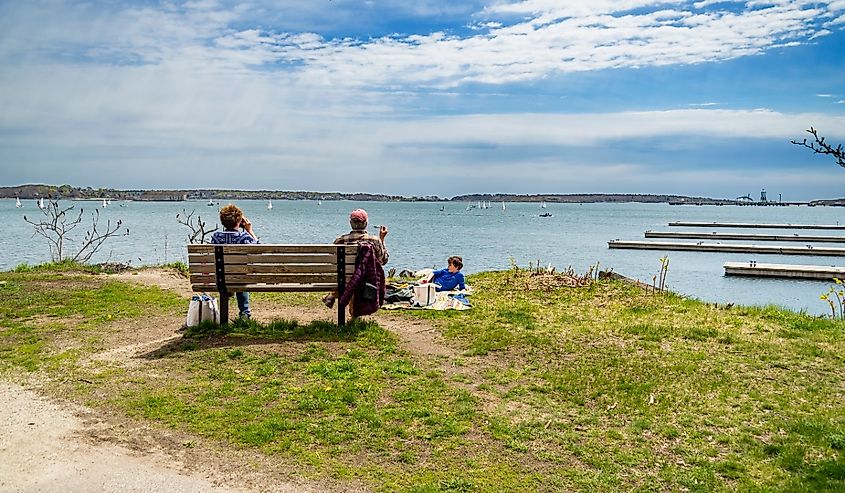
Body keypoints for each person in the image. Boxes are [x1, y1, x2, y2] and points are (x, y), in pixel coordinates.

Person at [323, 208, 388, 308]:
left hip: (343, 279)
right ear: (366, 223)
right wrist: (382, 239)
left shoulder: (340, 240)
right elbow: (383, 261)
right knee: (357, 278)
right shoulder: (375, 240)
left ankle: (332, 295)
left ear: (350, 223)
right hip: (367, 280)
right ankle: (352, 314)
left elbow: (332, 263)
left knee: (348, 279)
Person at [210, 204, 257, 319]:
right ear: (239, 221)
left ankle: (224, 318)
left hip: (222, 278)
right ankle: (244, 314)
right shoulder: (244, 237)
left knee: (230, 275)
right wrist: (250, 230)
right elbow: (258, 250)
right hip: (240, 277)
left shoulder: (216, 237)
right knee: (240, 277)